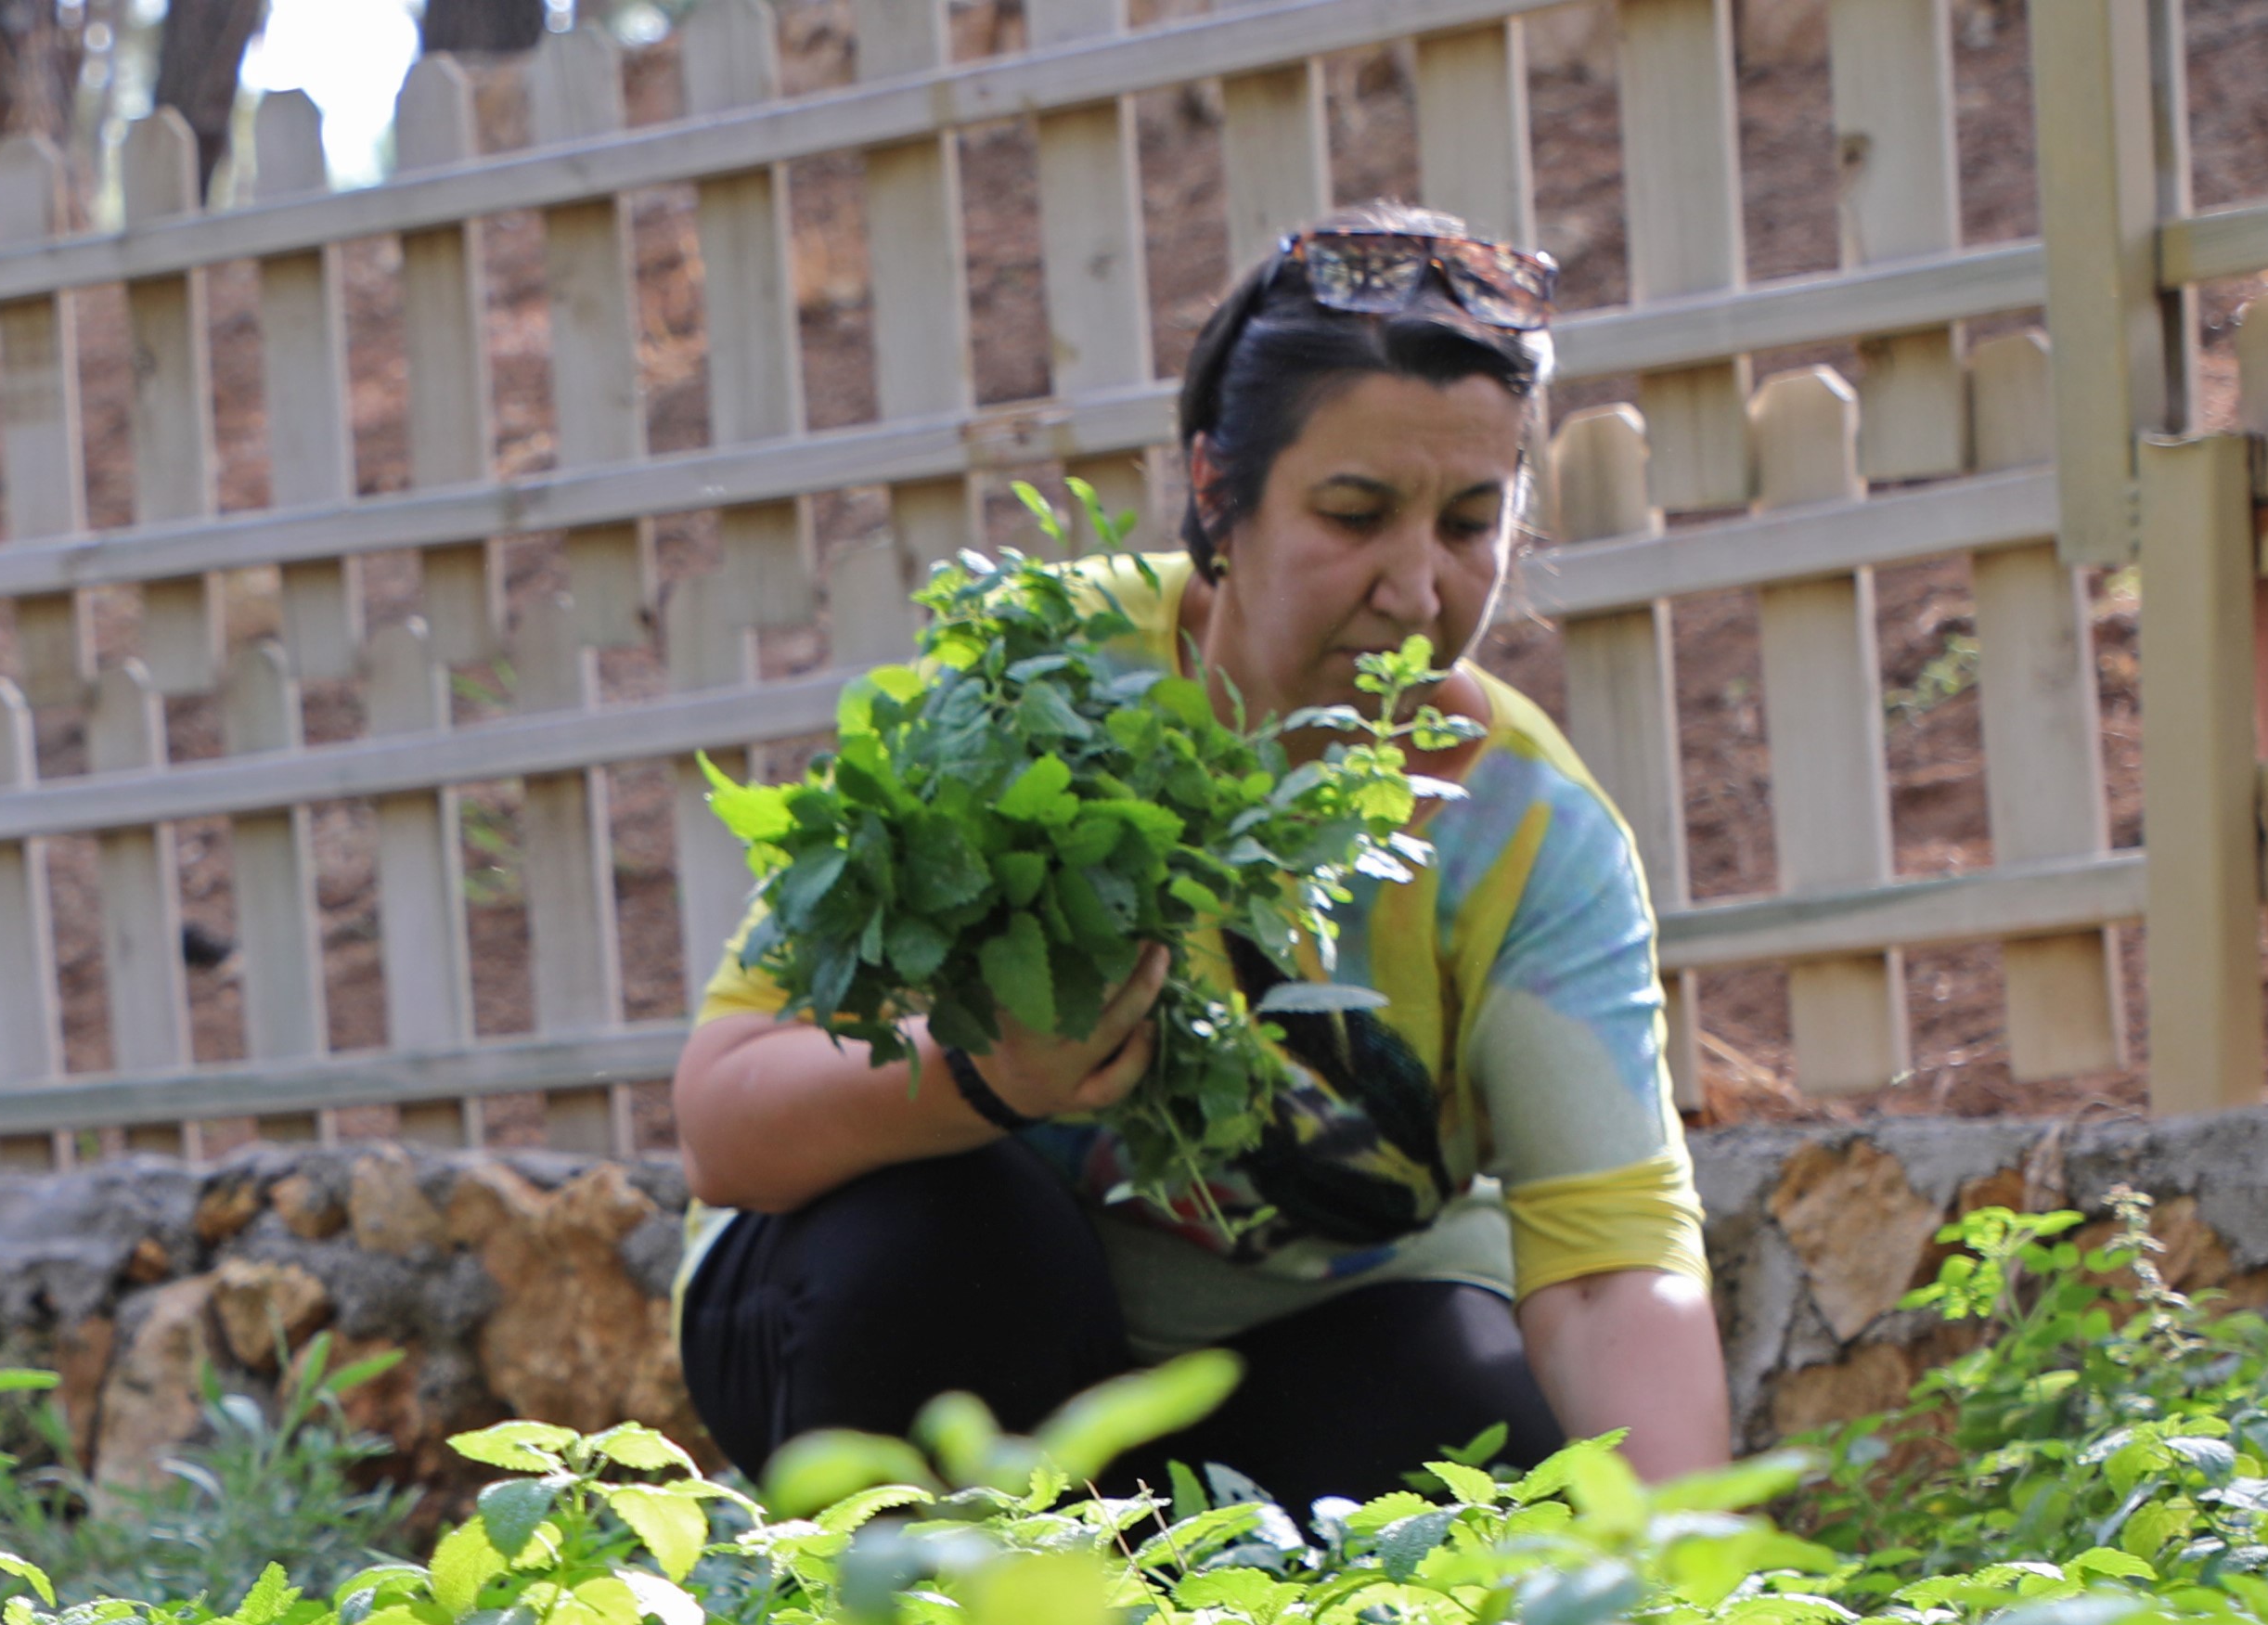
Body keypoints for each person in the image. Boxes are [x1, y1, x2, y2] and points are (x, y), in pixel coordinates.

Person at [668, 207, 1731, 1510]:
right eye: (1355, 513)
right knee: (942, 1238)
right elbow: (724, 1119)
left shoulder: (1526, 834)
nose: (1416, 589)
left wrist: (1692, 1612)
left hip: (1283, 1365)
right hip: (908, 1315)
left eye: (1469, 522)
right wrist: (986, 1079)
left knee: (1476, 1430)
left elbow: (1613, 1271)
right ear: (1218, 492)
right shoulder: (1036, 684)